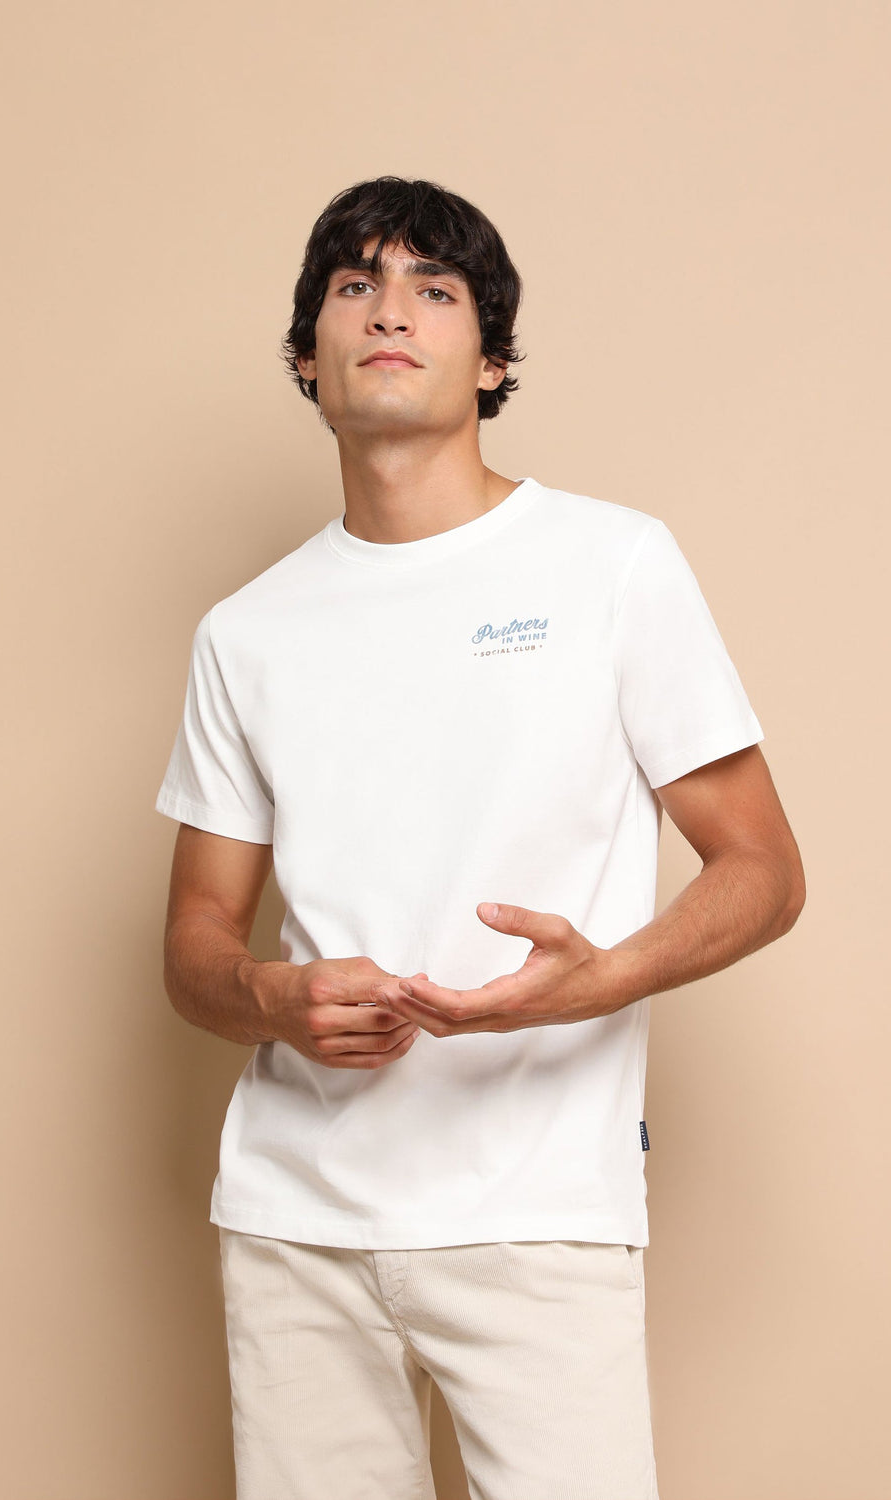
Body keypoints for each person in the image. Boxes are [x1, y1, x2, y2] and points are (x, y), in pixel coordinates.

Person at [154, 175, 805, 1500]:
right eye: (356, 287)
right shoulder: (246, 632)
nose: (390, 311)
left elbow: (765, 870)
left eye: (433, 289)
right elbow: (195, 942)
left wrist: (599, 978)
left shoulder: (613, 566)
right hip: (294, 1224)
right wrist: (273, 999)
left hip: (537, 1209)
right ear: (309, 360)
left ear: (492, 359)